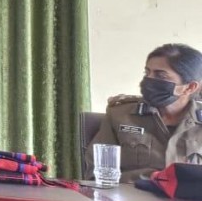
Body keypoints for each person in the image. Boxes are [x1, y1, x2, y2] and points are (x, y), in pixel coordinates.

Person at [85, 43, 202, 182]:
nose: (149, 80)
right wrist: (153, 178)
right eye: (147, 73)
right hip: (131, 199)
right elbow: (96, 176)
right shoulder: (120, 115)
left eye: (161, 76)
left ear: (190, 87)